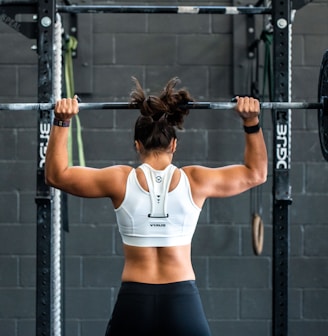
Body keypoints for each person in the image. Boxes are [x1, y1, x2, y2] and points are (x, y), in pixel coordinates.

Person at [45, 77, 267, 336]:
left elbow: (56, 175)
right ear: (174, 144)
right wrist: (251, 122)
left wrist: (62, 121)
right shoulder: (196, 180)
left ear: (137, 145)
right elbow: (256, 173)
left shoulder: (119, 180)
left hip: (134, 302)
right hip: (182, 299)